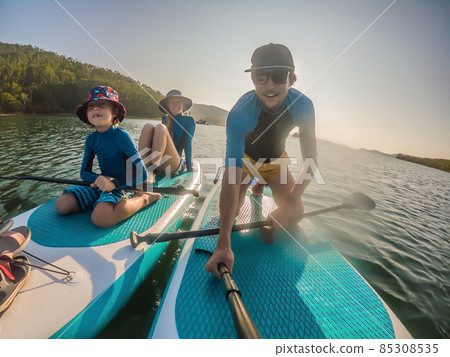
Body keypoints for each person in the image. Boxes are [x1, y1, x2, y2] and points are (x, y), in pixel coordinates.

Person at [205, 43, 317, 278]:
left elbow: (311, 161)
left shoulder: (304, 106)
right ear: (253, 79)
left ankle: (262, 183)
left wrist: (290, 202)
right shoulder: (239, 114)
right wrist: (223, 244)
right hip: (246, 160)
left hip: (277, 161)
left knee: (295, 215)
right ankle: (254, 184)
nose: (269, 86)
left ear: (293, 78)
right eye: (260, 77)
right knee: (233, 212)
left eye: (278, 77)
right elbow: (231, 174)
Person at [55, 85, 161, 227]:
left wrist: (114, 184)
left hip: (124, 184)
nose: (96, 108)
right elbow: (84, 173)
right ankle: (98, 200)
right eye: (91, 106)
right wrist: (99, 179)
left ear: (115, 112)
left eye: (102, 105)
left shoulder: (122, 136)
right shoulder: (91, 139)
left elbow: (141, 173)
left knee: (101, 218)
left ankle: (145, 199)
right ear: (86, 113)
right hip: (103, 184)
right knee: (62, 205)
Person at [138, 90, 196, 183]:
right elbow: (160, 143)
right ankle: (140, 169)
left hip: (175, 165)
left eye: (178, 102)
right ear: (167, 106)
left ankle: (151, 171)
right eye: (172, 102)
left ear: (183, 104)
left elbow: (188, 144)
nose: (175, 105)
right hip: (160, 162)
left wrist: (189, 167)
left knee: (160, 127)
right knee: (148, 126)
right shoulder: (165, 119)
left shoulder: (189, 120)